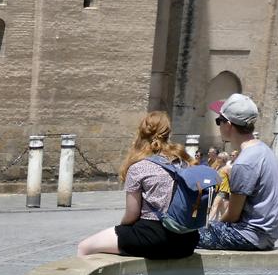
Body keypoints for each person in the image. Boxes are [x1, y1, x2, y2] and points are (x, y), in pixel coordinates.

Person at [76, 111, 198, 259]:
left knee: (84, 247)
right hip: (188, 240)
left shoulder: (139, 167)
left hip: (153, 238)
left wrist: (122, 229)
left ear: (141, 133)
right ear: (168, 133)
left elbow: (131, 215)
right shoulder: (185, 163)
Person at [197, 93, 278, 251]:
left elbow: (233, 215)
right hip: (267, 235)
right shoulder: (265, 150)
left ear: (228, 125)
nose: (219, 125)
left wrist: (212, 226)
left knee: (186, 235)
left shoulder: (244, 162)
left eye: (219, 121)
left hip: (248, 236)